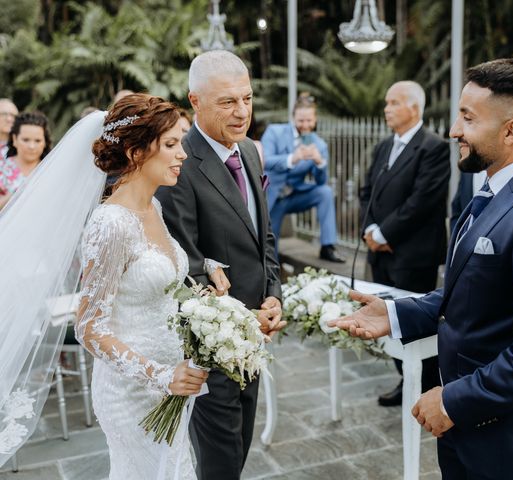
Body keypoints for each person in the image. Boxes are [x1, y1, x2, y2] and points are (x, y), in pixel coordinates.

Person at [331, 58, 513, 480]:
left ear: (511, 131)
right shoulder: (492, 189)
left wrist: (453, 400)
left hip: (506, 442)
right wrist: (396, 313)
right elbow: (470, 296)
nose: (453, 130)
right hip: (468, 433)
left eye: (467, 118)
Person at [156, 50, 285, 480]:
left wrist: (274, 296)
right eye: (227, 102)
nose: (242, 111)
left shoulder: (249, 150)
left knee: (239, 450)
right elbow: (186, 264)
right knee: (220, 465)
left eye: (247, 99)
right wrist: (236, 320)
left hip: (253, 341)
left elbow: (263, 236)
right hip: (212, 344)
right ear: (195, 101)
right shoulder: (179, 165)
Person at [76, 94, 212, 478]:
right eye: (170, 144)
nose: (182, 154)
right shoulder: (110, 224)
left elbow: (158, 280)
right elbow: (87, 327)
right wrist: (159, 375)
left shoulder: (154, 208)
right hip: (131, 392)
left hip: (174, 384)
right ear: (136, 152)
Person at [360, 81, 450, 407]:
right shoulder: (383, 146)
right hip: (379, 254)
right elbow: (366, 191)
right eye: (386, 102)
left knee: (416, 326)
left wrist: (385, 234)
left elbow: (422, 201)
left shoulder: (434, 147)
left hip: (413, 254)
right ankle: (406, 380)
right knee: (391, 323)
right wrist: (369, 231)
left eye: (394, 102)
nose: (386, 108)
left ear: (414, 107)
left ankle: (428, 388)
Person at [261, 94, 345, 262]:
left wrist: (320, 163)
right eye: (301, 120)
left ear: (315, 119)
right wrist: (293, 158)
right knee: (270, 247)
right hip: (273, 198)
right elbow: (263, 161)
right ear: (293, 117)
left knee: (325, 192)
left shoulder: (320, 145)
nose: (305, 125)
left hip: (296, 196)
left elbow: (321, 181)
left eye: (309, 121)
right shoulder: (274, 132)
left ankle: (327, 246)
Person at [0, 111, 51, 209]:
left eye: (37, 141)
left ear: (45, 142)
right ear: (15, 139)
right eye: (26, 140)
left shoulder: (50, 170)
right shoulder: (2, 168)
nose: (32, 146)